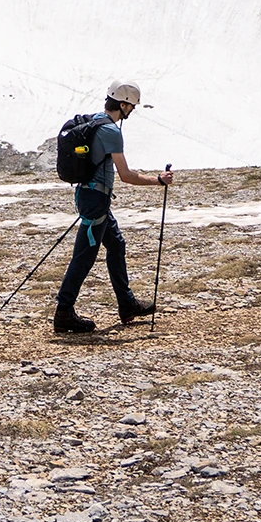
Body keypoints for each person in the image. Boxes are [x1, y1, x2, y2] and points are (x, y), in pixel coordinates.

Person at [53, 82, 174, 334]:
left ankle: (127, 304)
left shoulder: (96, 121)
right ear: (123, 104)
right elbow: (126, 175)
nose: (132, 111)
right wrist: (158, 180)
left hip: (93, 198)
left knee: (116, 244)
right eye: (131, 106)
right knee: (84, 257)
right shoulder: (110, 131)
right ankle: (63, 312)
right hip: (95, 201)